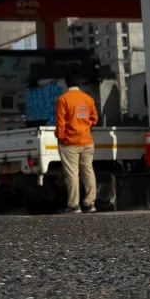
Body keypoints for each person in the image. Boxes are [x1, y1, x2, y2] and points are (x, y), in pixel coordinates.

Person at [54, 72, 101, 213]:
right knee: (88, 171)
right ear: (79, 82)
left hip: (70, 143)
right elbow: (95, 119)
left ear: (66, 83)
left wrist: (60, 137)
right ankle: (90, 203)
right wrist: (86, 128)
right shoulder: (88, 99)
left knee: (72, 174)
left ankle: (74, 205)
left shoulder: (63, 99)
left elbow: (61, 123)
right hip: (87, 141)